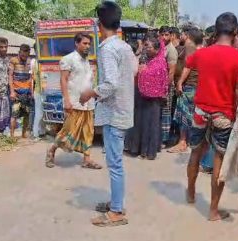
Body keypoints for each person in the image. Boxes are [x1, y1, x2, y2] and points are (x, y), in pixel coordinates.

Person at [185, 12, 238, 221]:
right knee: (219, 160)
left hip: (200, 112)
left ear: (215, 29)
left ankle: (191, 191)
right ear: (235, 32)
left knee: (195, 152)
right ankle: (213, 211)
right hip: (224, 114)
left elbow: (188, 62)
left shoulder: (202, 53)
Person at [79, 1, 137, 226]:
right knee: (116, 162)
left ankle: (117, 211)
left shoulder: (107, 48)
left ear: (99, 23)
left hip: (114, 113)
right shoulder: (124, 47)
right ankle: (116, 202)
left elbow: (111, 83)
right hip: (122, 110)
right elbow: (131, 73)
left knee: (114, 164)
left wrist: (90, 93)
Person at [45, 33, 101, 169]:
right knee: (68, 131)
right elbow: (63, 80)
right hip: (74, 102)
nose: (87, 46)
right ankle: (51, 150)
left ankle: (87, 159)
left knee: (88, 131)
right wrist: (67, 101)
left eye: (89, 44)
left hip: (88, 103)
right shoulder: (67, 59)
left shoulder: (87, 61)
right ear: (77, 43)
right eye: (84, 43)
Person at [126, 35, 168, 160]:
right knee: (139, 122)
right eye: (145, 46)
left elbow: (156, 77)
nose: (146, 48)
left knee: (150, 124)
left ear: (156, 49)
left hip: (153, 99)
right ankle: (137, 148)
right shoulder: (144, 59)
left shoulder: (160, 62)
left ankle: (148, 151)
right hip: (140, 96)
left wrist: (143, 71)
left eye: (148, 46)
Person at [169, 28, 204, 153]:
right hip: (196, 87)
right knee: (191, 115)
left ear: (190, 37)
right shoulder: (202, 50)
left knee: (184, 114)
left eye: (185, 35)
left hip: (189, 86)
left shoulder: (191, 49)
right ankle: (187, 141)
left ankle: (182, 142)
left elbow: (187, 67)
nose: (184, 37)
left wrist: (179, 82)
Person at [159, 26, 178, 147]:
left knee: (166, 112)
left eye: (167, 35)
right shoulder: (161, 48)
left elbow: (171, 72)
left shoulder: (171, 50)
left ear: (171, 36)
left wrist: (165, 88)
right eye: (163, 34)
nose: (165, 37)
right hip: (157, 85)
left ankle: (164, 139)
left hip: (166, 86)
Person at [9, 44, 33, 138]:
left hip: (26, 92)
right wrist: (12, 91)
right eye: (22, 55)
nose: (24, 57)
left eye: (26, 55)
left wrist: (30, 91)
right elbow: (10, 76)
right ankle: (11, 136)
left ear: (28, 53)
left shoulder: (30, 62)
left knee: (27, 114)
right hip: (16, 92)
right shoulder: (13, 61)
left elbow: (31, 78)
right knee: (14, 114)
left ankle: (24, 134)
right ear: (19, 52)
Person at [30, 43, 45, 140]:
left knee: (43, 112)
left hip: (44, 90)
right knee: (39, 113)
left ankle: (42, 131)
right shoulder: (34, 62)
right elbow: (32, 79)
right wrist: (31, 91)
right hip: (38, 91)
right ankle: (35, 133)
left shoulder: (44, 61)